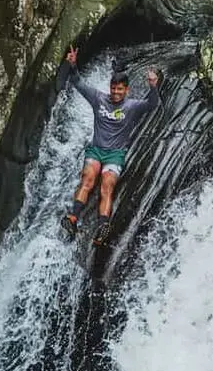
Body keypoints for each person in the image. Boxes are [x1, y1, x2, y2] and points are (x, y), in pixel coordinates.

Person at [60, 46, 161, 245]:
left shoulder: (132, 106)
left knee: (107, 186)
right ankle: (72, 218)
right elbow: (78, 82)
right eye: (113, 88)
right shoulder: (98, 99)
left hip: (115, 155)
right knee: (88, 179)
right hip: (96, 150)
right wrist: (72, 65)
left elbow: (152, 104)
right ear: (110, 88)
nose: (116, 92)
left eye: (120, 89)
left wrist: (153, 86)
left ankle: (103, 226)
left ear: (126, 90)